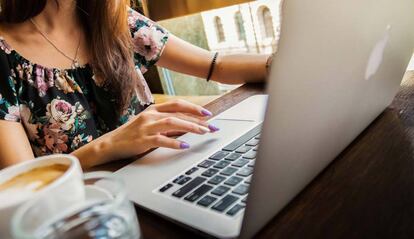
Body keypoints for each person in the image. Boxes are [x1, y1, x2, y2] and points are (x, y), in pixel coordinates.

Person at [0, 0, 269, 168]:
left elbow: (216, 65)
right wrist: (106, 146)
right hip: (83, 217)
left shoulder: (117, 21)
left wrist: (287, 62)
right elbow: (23, 185)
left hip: (163, 174)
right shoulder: (4, 54)